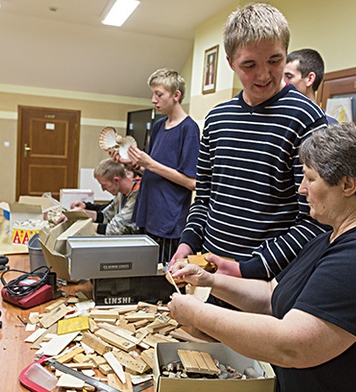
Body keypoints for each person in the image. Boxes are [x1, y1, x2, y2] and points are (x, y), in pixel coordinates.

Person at [168, 123, 356, 392]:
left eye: (311, 178)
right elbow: (271, 295)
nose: (302, 188)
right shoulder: (331, 236)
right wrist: (210, 281)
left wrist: (197, 314)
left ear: (348, 185)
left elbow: (293, 346)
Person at [171, 3, 328, 282]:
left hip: (267, 284)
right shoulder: (217, 118)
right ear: (231, 63)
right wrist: (188, 242)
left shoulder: (307, 120)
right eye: (249, 65)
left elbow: (316, 220)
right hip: (210, 272)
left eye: (275, 61)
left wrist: (251, 268)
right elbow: (204, 197)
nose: (264, 75)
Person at [112, 68, 200, 264]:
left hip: (169, 219)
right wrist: (133, 164)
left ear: (176, 95)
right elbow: (152, 171)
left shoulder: (189, 129)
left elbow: (192, 182)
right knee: (146, 274)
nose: (153, 100)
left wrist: (150, 163)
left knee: (166, 280)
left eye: (159, 94)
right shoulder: (159, 126)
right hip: (148, 212)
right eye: (153, 94)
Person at [66, 158, 140, 235]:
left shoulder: (137, 196)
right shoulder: (121, 193)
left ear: (116, 180)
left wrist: (78, 225)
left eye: (104, 185)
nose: (103, 189)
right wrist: (79, 214)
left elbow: (113, 230)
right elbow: (106, 216)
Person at [283, 48, 337, 124]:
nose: (282, 82)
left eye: (288, 77)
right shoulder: (279, 117)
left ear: (310, 79)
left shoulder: (329, 125)